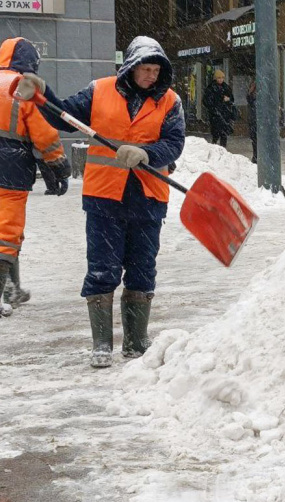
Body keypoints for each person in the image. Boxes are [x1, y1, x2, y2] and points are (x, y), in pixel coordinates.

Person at [16, 36, 185, 366]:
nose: (151, 76)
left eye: (155, 70)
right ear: (132, 69)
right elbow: (62, 114)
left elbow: (175, 144)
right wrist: (41, 94)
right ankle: (102, 344)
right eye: (146, 69)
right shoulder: (100, 90)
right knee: (102, 269)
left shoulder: (170, 102)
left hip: (148, 199)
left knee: (141, 271)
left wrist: (146, 153)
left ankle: (136, 341)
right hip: (104, 198)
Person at [0, 37, 70, 318]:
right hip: (10, 167)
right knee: (8, 232)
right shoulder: (21, 88)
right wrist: (59, 166)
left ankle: (12, 290)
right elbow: (45, 135)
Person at [204, 69, 234, 148]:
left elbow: (232, 99)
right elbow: (206, 101)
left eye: (222, 78)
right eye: (219, 78)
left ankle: (223, 151)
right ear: (215, 78)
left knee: (224, 134)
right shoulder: (211, 88)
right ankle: (214, 150)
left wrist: (228, 100)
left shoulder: (226, 87)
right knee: (216, 134)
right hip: (215, 115)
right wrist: (213, 108)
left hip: (224, 113)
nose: (221, 79)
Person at [247, 81, 257, 163]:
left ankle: (256, 156)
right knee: (255, 140)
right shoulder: (251, 96)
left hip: (256, 120)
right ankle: (255, 156)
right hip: (254, 120)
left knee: (256, 140)